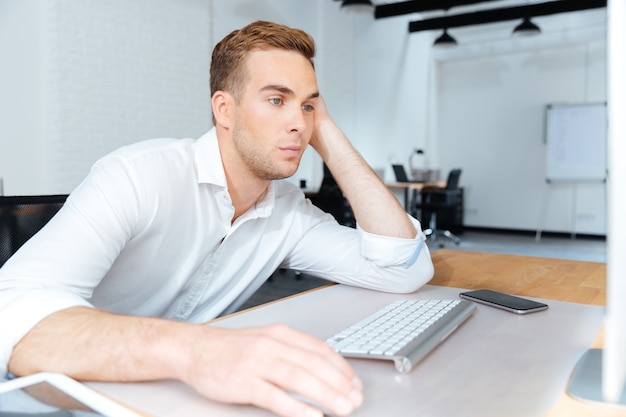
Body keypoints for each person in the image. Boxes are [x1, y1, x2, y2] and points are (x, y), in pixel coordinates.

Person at [0, 20, 433, 417]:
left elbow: (404, 268)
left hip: (169, 398)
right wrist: (194, 351)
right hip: (57, 401)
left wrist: (328, 132)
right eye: (277, 99)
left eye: (307, 107)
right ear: (224, 110)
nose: (298, 124)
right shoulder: (139, 177)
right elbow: (9, 312)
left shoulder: (288, 212)